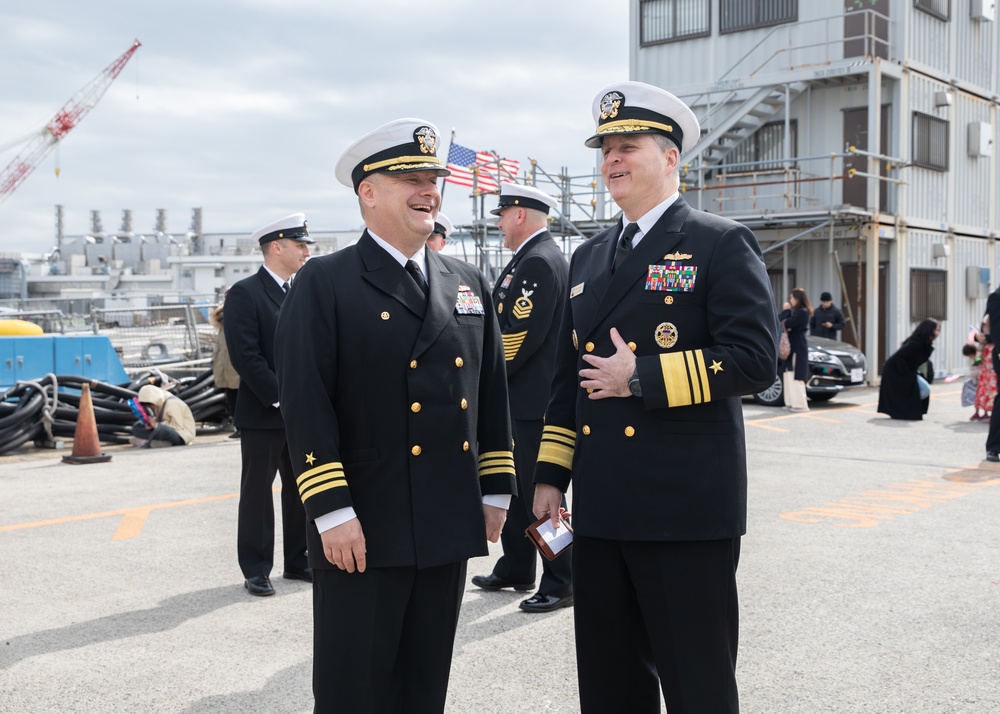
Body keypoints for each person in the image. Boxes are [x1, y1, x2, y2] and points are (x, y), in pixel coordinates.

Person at [531, 81, 778, 712]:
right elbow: (568, 379)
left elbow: (755, 361)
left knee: (697, 682)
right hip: (605, 505)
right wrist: (552, 474)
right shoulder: (586, 257)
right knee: (611, 685)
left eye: (628, 145)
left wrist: (640, 377)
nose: (612, 159)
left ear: (671, 158)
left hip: (685, 509)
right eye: (605, 147)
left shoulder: (719, 242)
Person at [273, 118, 516, 712]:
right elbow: (306, 404)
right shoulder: (325, 283)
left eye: (433, 177)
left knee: (422, 686)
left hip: (445, 517)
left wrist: (497, 488)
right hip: (364, 522)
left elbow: (491, 392)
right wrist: (330, 510)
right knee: (354, 688)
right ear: (368, 192)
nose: (428, 189)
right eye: (410, 177)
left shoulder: (466, 281)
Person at [471, 182, 573, 613]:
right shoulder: (530, 259)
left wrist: (482, 374)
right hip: (522, 400)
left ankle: (562, 576)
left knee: (541, 493)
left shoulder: (537, 262)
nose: (497, 223)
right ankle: (516, 565)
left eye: (501, 215)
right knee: (514, 488)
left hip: (532, 403)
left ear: (518, 215)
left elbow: (515, 338)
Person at [224, 213, 313, 597]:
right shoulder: (245, 293)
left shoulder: (302, 290)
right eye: (300, 245)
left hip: (299, 411)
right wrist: (282, 396)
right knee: (258, 492)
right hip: (265, 411)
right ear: (276, 247)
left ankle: (298, 560)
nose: (307, 251)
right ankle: (257, 568)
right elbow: (245, 356)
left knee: (301, 489)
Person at [877, 318, 940, 421]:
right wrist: (906, 372)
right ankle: (906, 409)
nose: (937, 333)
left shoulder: (924, 343)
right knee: (921, 389)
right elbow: (899, 357)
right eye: (936, 330)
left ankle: (906, 409)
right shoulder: (917, 343)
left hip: (905, 371)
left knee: (922, 389)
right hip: (895, 371)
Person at [209, 295, 240, 435]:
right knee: (232, 399)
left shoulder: (238, 319)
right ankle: (237, 426)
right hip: (226, 367)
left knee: (238, 399)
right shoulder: (223, 324)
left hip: (236, 369)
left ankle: (240, 426)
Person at [129, 383, 195, 448]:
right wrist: (150, 423)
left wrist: (156, 425)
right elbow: (161, 420)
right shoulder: (159, 403)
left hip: (181, 434)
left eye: (149, 404)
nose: (148, 407)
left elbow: (177, 427)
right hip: (165, 430)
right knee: (137, 427)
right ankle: (151, 440)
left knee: (162, 430)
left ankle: (150, 441)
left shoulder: (173, 403)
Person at [779, 288, 813, 412]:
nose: (790, 300)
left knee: (795, 374)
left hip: (798, 347)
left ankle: (800, 404)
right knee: (788, 373)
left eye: (792, 297)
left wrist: (786, 310)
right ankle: (791, 403)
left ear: (798, 299)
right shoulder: (799, 311)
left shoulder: (803, 312)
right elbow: (782, 321)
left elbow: (785, 323)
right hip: (793, 346)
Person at [973, 316, 995, 421]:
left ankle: (991, 411)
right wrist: (977, 360)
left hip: (993, 357)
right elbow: (979, 348)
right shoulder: (987, 317)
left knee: (992, 387)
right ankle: (984, 411)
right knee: (984, 386)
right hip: (986, 361)